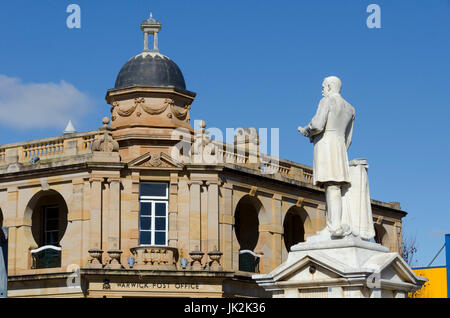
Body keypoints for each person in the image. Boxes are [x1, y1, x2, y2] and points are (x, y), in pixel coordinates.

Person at [298, 76, 355, 238]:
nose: (322, 90)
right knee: (336, 187)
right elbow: (349, 138)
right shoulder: (350, 109)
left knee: (331, 186)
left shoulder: (327, 101)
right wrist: (341, 150)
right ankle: (334, 223)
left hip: (326, 145)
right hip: (340, 147)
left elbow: (317, 124)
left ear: (330, 86)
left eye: (323, 86)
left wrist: (306, 131)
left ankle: (333, 226)